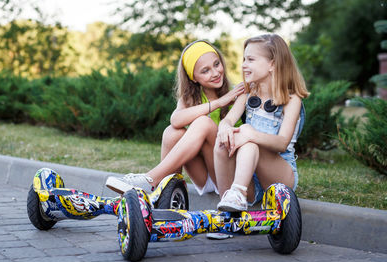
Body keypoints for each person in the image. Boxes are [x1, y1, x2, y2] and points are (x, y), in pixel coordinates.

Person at [107, 40, 244, 195]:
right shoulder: (191, 99)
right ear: (193, 78)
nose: (215, 73)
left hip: (229, 172)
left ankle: (150, 180)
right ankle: (168, 194)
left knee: (203, 123)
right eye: (205, 71)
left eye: (217, 64)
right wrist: (218, 103)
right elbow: (176, 120)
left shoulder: (236, 93)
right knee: (172, 133)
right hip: (205, 175)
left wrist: (225, 100)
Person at [214, 34, 309, 212]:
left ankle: (238, 192)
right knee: (222, 143)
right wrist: (225, 127)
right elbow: (228, 119)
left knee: (248, 137)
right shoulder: (248, 92)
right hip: (250, 177)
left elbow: (282, 143)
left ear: (272, 64)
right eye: (244, 59)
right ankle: (227, 208)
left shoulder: (291, 99)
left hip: (278, 176)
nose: (243, 65)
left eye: (250, 59)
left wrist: (250, 134)